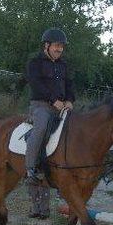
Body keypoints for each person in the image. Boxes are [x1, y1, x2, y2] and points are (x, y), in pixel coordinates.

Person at [24, 28, 75, 186]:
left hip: (60, 107)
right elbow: (36, 84)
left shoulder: (63, 65)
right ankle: (30, 168)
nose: (59, 49)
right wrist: (54, 101)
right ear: (46, 45)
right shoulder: (35, 63)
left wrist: (69, 100)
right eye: (56, 46)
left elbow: (69, 85)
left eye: (62, 46)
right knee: (41, 126)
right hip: (41, 106)